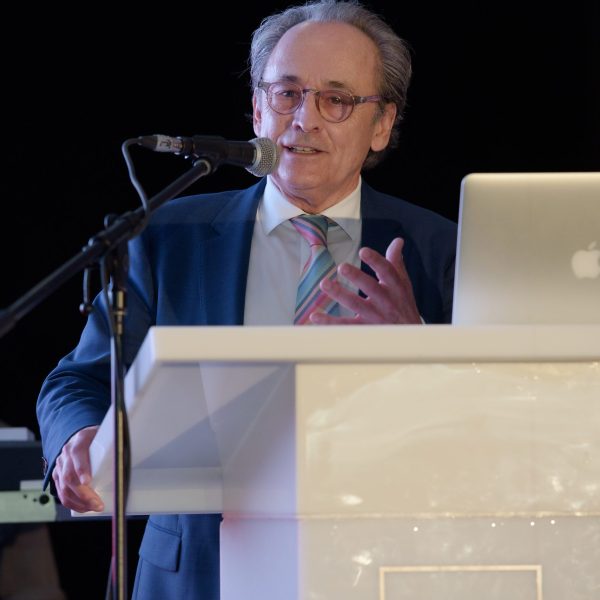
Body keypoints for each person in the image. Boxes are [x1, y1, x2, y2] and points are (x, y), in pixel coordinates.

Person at [36, 1, 457, 598]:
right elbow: (78, 381)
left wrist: (417, 351)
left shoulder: (442, 251)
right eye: (287, 94)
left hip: (380, 568)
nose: (304, 119)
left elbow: (503, 419)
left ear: (382, 124)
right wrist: (78, 439)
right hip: (198, 574)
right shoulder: (165, 235)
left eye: (336, 100)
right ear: (258, 109)